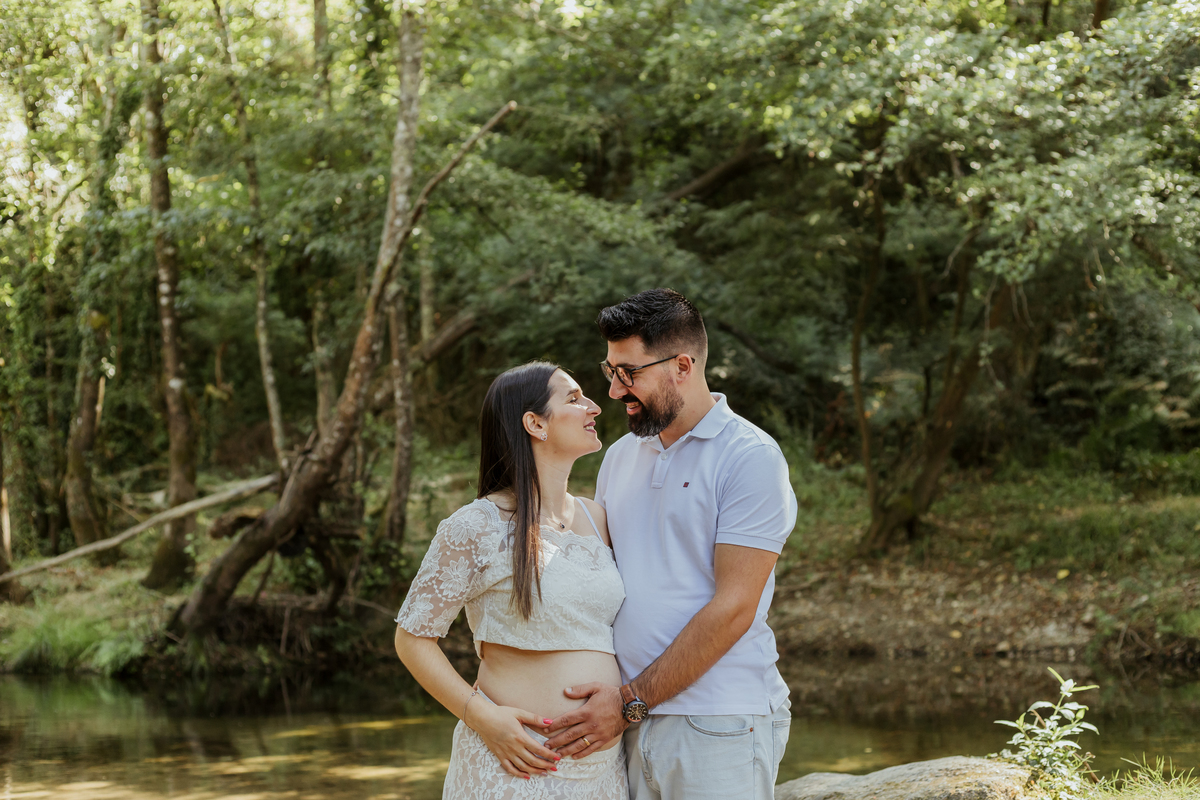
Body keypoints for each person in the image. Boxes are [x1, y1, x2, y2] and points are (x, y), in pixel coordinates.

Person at [542, 289, 798, 800]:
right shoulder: (618, 456)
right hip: (626, 725)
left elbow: (734, 608)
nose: (614, 392)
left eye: (628, 373)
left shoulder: (750, 458)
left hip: (717, 722)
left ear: (682, 365)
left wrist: (629, 701)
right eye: (610, 371)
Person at [394, 361, 629, 800]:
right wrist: (481, 717)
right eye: (575, 399)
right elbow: (412, 640)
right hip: (512, 768)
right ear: (535, 423)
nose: (594, 407)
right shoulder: (476, 525)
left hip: (601, 774)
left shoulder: (598, 519)